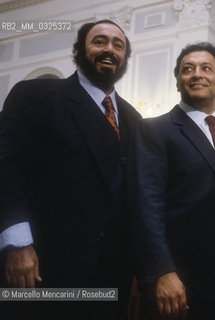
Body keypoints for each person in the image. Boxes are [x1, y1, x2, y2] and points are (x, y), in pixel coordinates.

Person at [0, 20, 141, 319]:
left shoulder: (134, 119)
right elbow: (6, 167)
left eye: (118, 45)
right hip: (41, 268)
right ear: (79, 50)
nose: (109, 50)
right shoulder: (36, 96)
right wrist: (17, 244)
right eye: (99, 41)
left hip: (109, 279)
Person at [130, 42, 215, 320]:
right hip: (179, 282)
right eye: (188, 69)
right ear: (178, 82)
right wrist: (161, 271)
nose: (197, 74)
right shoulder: (154, 130)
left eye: (206, 68)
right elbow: (145, 205)